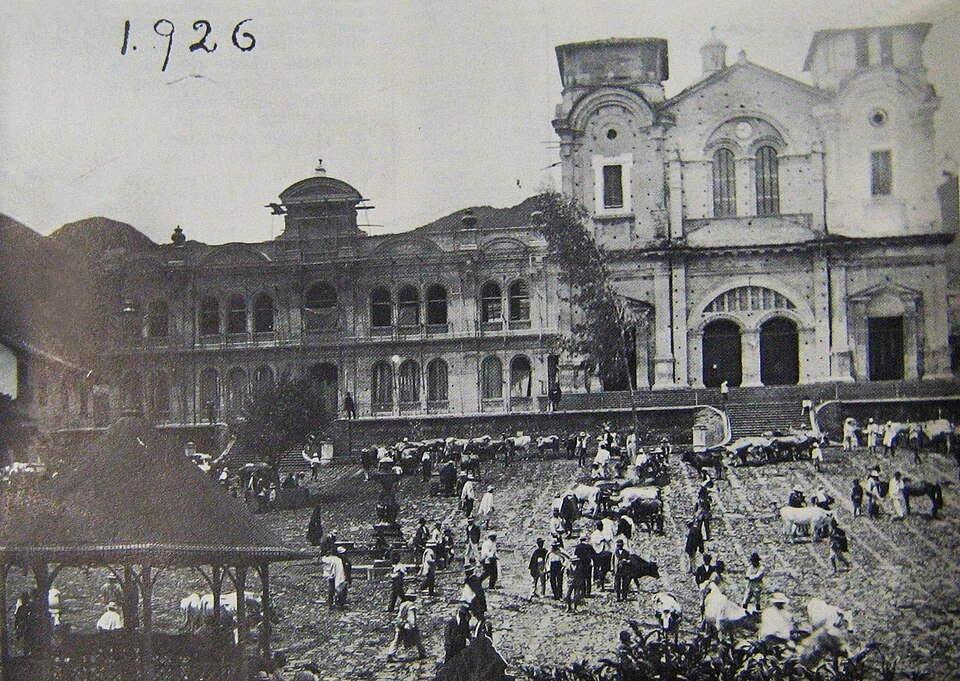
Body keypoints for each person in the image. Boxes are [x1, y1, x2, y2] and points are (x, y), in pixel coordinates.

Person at [387, 593, 426, 662]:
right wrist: (412, 625)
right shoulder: (411, 605)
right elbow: (411, 617)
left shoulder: (403, 604)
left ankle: (391, 653)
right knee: (417, 639)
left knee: (397, 640)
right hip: (408, 625)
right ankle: (422, 653)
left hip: (400, 624)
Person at [590, 521, 613, 591]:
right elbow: (596, 541)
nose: (602, 527)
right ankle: (595, 579)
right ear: (598, 526)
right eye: (601, 526)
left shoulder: (602, 533)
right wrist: (602, 540)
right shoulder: (594, 534)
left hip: (601, 552)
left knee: (602, 566)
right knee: (596, 566)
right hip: (596, 551)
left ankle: (601, 579)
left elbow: (607, 539)